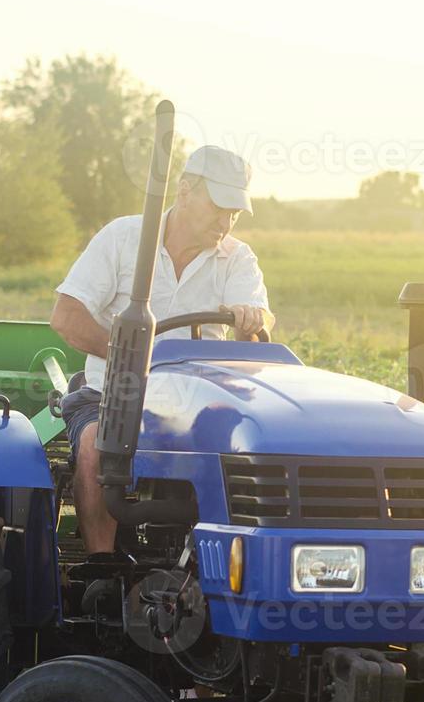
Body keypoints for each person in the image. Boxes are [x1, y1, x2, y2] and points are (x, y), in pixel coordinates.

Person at [50, 145, 275, 553]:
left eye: (235, 212)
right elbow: (67, 316)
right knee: (95, 445)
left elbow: (257, 333)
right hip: (114, 394)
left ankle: (216, 567)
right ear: (185, 190)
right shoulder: (123, 238)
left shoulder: (237, 259)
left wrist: (249, 321)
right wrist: (131, 357)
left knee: (251, 450)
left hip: (195, 405)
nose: (226, 221)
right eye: (219, 206)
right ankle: (104, 569)